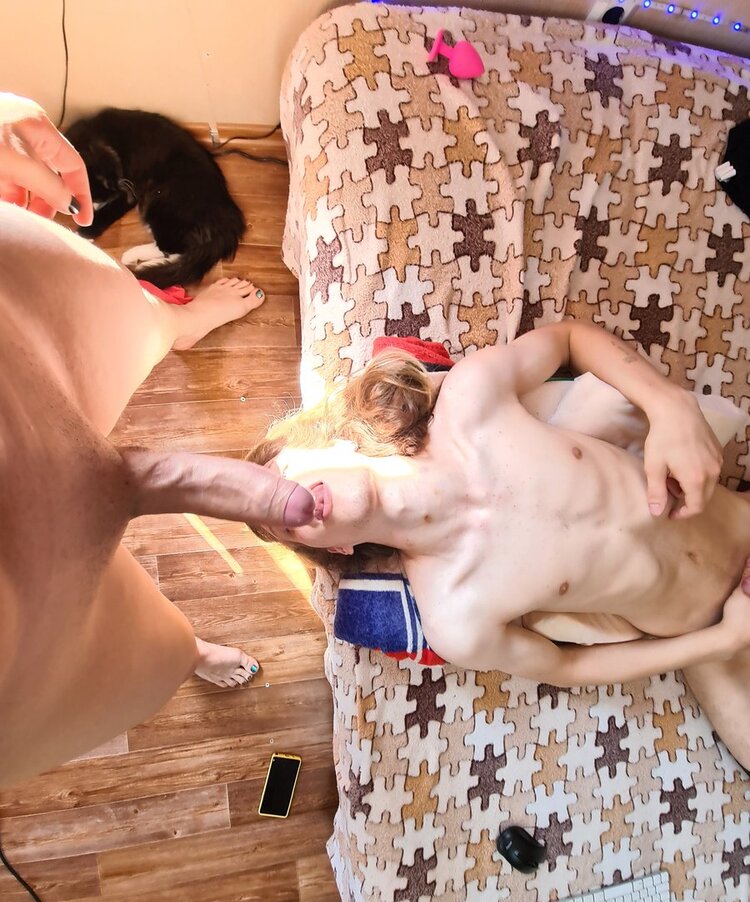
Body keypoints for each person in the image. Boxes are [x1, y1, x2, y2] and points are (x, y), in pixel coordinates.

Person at [247, 320, 750, 769]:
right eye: (285, 523)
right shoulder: (454, 618)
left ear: (332, 443)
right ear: (337, 550)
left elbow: (568, 339)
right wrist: (723, 640)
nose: (289, 502)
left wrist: (669, 404)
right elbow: (567, 668)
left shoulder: (470, 399)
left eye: (282, 477)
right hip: (712, 627)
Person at [0, 93, 316, 786]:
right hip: (26, 654)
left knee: (118, 312)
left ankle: (177, 323)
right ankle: (190, 651)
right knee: (155, 654)